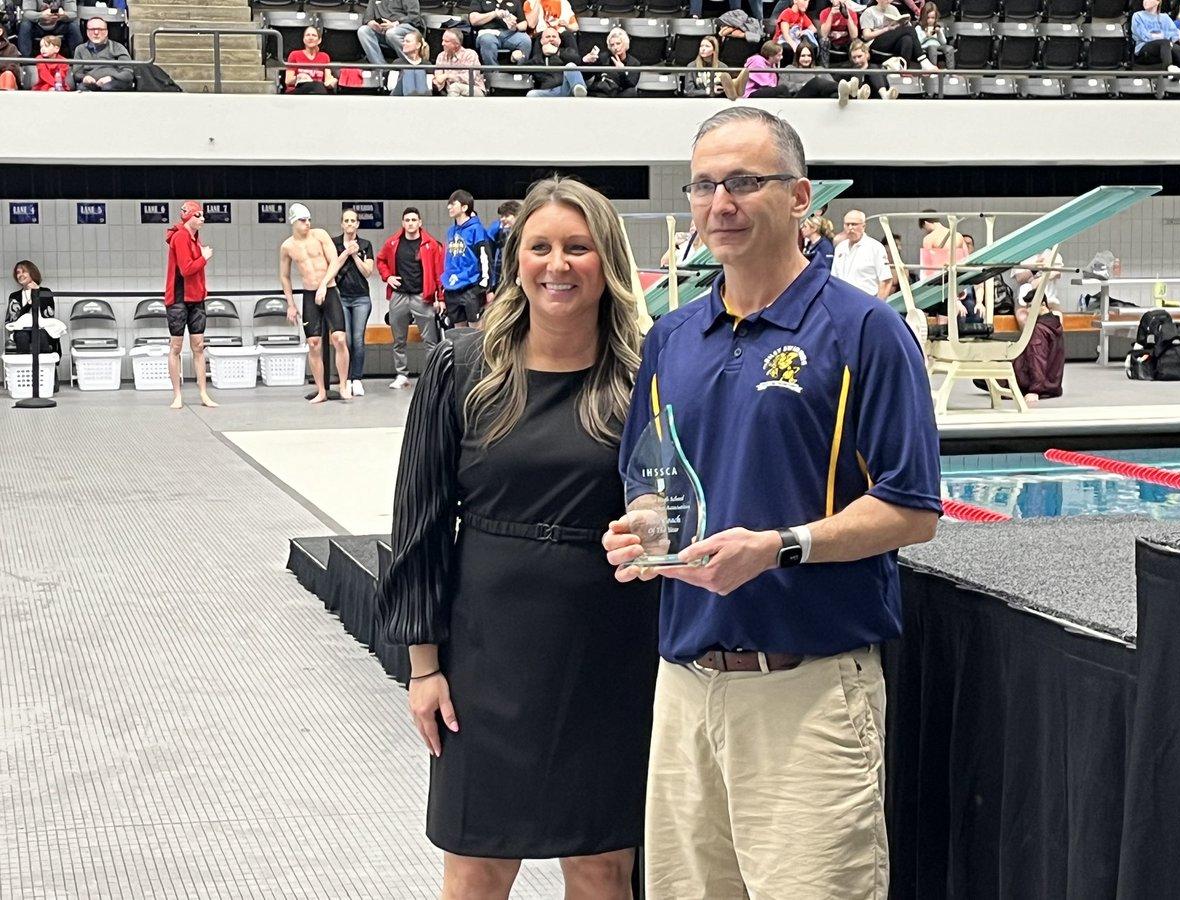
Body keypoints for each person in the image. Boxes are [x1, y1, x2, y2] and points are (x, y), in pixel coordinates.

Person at [602, 106, 941, 900]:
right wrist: (646, 525)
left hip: (809, 693)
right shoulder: (673, 336)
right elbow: (649, 475)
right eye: (705, 186)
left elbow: (912, 509)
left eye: (745, 183)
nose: (721, 203)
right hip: (685, 689)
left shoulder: (866, 332)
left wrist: (780, 545)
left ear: (799, 198)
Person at [379, 175, 658, 900]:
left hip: (611, 648)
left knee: (602, 866)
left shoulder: (644, 379)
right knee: (476, 863)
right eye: (540, 247)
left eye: (577, 247)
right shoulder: (460, 368)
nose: (557, 265)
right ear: (516, 261)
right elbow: (420, 524)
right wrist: (423, 666)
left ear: (609, 262)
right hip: (485, 650)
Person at [279, 203, 352, 403]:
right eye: (303, 220)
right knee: (313, 343)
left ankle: (344, 385)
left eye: (309, 219)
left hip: (329, 291)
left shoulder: (320, 235)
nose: (308, 224)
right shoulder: (287, 246)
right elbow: (284, 277)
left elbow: (335, 261)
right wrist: (291, 304)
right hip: (310, 296)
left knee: (338, 338)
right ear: (294, 222)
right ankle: (321, 390)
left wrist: (323, 285)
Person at [377, 207, 445, 389]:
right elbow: (380, 260)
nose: (410, 223)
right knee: (399, 340)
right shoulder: (393, 243)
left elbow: (439, 273)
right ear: (403, 223)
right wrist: (388, 277)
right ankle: (401, 374)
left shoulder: (430, 244)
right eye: (407, 220)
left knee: (430, 340)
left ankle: (432, 376)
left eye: (414, 220)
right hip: (399, 296)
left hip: (423, 297)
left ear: (420, 223)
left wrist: (440, 297)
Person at [163, 201, 218, 410]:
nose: (202, 219)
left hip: (196, 299)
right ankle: (177, 395)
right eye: (198, 215)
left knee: (198, 346)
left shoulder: (194, 238)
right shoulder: (180, 237)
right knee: (176, 347)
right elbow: (186, 270)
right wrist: (204, 258)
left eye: (202, 215)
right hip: (178, 299)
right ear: (188, 217)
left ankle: (203, 393)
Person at [332, 208, 376, 398]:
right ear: (342, 223)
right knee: (346, 339)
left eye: (353, 221)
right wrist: (346, 253)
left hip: (361, 298)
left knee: (358, 339)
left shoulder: (366, 245)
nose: (350, 224)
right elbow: (331, 269)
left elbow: (368, 272)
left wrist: (356, 254)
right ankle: (346, 379)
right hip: (340, 297)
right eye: (346, 221)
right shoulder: (334, 244)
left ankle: (357, 378)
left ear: (358, 224)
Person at [441, 190, 492, 328]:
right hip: (452, 287)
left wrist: (485, 284)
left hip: (471, 286)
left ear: (464, 207)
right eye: (448, 204)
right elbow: (448, 258)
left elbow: (485, 257)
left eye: (453, 204)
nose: (449, 207)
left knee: (475, 331)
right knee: (459, 333)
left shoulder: (477, 230)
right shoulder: (451, 231)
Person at [832, 207, 894, 297]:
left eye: (854, 224)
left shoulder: (875, 248)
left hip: (867, 300)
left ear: (863, 226)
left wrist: (878, 305)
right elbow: (834, 278)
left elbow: (886, 280)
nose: (850, 228)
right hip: (842, 300)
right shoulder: (840, 248)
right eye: (847, 224)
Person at [859, 0, 937, 70]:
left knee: (907, 38)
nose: (889, 1)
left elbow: (899, 27)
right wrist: (886, 29)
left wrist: (904, 24)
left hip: (891, 43)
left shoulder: (893, 9)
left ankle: (903, 68)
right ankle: (923, 60)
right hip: (875, 45)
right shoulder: (869, 12)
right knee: (910, 30)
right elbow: (866, 36)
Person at [1132, 0, 1180, 73]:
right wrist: (1164, 35)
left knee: (1176, 47)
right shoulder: (1137, 16)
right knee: (1165, 42)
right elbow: (1144, 36)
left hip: (1164, 48)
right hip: (1144, 49)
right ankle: (1169, 67)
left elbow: (1174, 35)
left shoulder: (1165, 17)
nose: (1145, 1)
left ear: (1158, 2)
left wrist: (1155, 35)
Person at [5, 261, 57, 356]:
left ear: (32, 273)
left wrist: (36, 292)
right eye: (18, 272)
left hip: (42, 329)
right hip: (21, 331)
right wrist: (29, 303)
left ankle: (45, 369)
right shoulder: (14, 296)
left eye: (24, 271)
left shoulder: (46, 292)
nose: (20, 275)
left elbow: (49, 315)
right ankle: (25, 368)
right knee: (22, 336)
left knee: (40, 335)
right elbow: (13, 320)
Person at [72, 17, 133, 91]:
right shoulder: (80, 49)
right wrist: (84, 77)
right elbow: (76, 73)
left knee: (107, 87)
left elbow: (128, 73)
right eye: (92, 29)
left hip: (113, 83)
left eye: (100, 29)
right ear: (87, 32)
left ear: (106, 32)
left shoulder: (118, 47)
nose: (96, 32)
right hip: (91, 83)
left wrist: (111, 78)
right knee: (82, 88)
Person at [525, 26, 587, 96]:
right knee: (531, 94)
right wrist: (513, 59)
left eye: (554, 37)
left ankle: (580, 92)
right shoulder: (537, 58)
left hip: (565, 88)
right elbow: (521, 68)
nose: (551, 39)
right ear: (541, 41)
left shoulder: (566, 52)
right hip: (548, 91)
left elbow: (577, 60)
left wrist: (557, 51)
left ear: (559, 41)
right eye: (548, 37)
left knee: (570, 66)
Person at [357, 0, 421, 67]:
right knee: (363, 30)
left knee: (391, 32)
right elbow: (367, 18)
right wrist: (371, 23)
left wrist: (395, 24)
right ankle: (382, 68)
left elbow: (414, 17)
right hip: (383, 31)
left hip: (406, 29)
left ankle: (412, 64)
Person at [470, 0, 532, 68]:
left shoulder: (515, 1)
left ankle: (520, 72)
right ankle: (493, 73)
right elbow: (473, 20)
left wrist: (515, 26)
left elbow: (524, 24)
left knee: (525, 40)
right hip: (488, 32)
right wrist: (494, 14)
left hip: (509, 34)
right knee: (487, 40)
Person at [581, 26, 640, 97]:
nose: (615, 47)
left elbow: (630, 85)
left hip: (619, 94)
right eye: (612, 45)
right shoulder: (603, 58)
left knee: (631, 91)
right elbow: (585, 76)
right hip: (602, 92)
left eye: (618, 44)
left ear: (625, 44)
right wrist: (585, 61)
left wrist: (622, 72)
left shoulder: (634, 63)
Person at [433, 28, 486, 96]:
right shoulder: (441, 56)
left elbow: (469, 79)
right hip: (452, 92)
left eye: (446, 41)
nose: (442, 43)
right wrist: (435, 81)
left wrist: (447, 76)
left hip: (474, 89)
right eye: (442, 40)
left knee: (455, 87)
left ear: (457, 44)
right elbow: (439, 79)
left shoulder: (470, 54)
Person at [485, 200, 520, 303]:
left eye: (507, 216)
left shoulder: (527, 234)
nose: (503, 219)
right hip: (502, 282)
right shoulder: (499, 234)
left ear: (518, 215)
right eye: (501, 216)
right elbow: (492, 261)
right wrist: (491, 288)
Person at [285, 26, 336, 94]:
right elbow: (288, 80)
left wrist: (332, 81)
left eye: (314, 35)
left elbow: (327, 79)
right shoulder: (294, 54)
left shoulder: (324, 56)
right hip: (298, 89)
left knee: (319, 87)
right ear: (303, 39)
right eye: (308, 35)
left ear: (319, 40)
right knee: (316, 86)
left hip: (318, 90)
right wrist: (299, 77)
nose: (310, 38)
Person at [390, 30, 431, 96]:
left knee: (419, 72)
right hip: (399, 97)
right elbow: (390, 86)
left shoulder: (427, 64)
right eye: (404, 41)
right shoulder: (397, 62)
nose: (404, 43)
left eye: (408, 42)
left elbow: (429, 87)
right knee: (409, 71)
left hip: (422, 97)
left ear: (418, 45)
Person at [915, 2, 954, 69]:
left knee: (949, 48)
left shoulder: (937, 27)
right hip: (926, 47)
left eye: (932, 18)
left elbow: (943, 42)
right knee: (932, 48)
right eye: (928, 18)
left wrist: (939, 33)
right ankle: (933, 69)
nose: (930, 20)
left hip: (938, 45)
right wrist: (926, 36)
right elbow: (918, 42)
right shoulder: (919, 28)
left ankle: (951, 71)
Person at [0, 23, 20, 90]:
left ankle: (6, 99)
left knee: (8, 74)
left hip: (4, 77)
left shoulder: (11, 48)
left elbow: (12, 67)